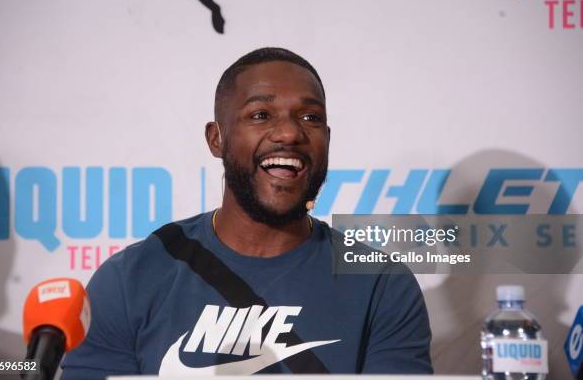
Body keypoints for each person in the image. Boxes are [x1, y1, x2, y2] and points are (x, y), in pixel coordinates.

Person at [60, 47, 433, 378]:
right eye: (260, 115)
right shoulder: (130, 279)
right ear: (216, 138)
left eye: (310, 118)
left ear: (327, 140)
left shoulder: (382, 285)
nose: (289, 133)